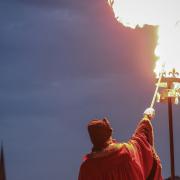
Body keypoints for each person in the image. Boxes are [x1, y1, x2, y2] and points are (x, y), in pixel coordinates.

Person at [78, 108, 163, 180]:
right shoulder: (125, 152)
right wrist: (146, 118)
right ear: (109, 134)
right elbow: (140, 141)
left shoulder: (87, 168)